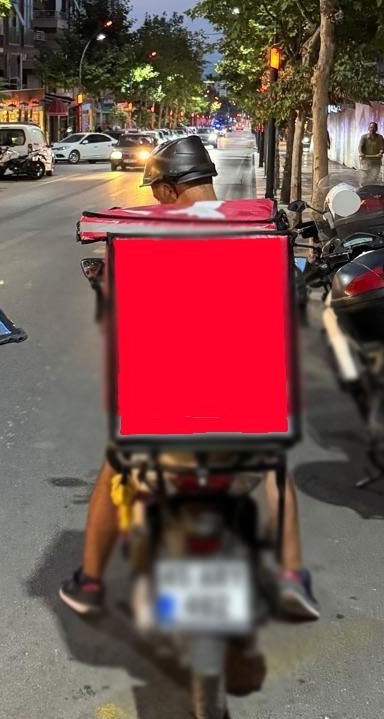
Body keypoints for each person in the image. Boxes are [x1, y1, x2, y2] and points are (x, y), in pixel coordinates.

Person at [58, 135, 320, 622]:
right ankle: (290, 577)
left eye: (156, 189)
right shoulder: (259, 229)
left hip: (162, 406)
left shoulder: (145, 235)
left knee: (115, 470)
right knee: (275, 470)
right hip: (247, 402)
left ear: (167, 190)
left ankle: (90, 582)